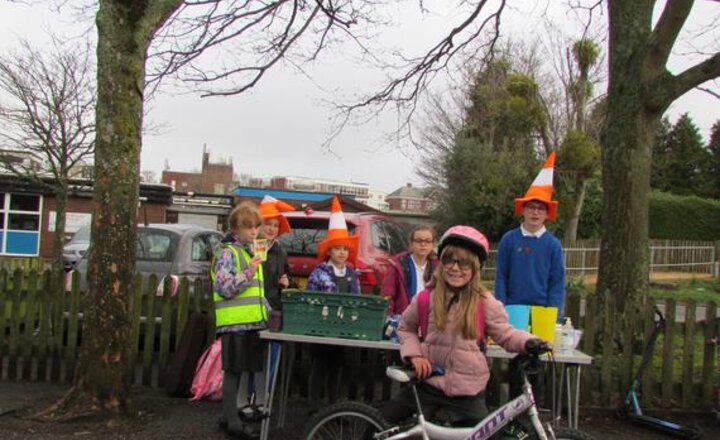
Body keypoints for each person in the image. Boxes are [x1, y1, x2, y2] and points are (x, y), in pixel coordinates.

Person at [382, 225, 542, 427]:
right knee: (381, 421)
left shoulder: (485, 303)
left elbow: (505, 333)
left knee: (484, 433)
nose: (455, 268)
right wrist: (415, 355)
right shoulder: (426, 298)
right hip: (429, 383)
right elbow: (406, 328)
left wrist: (529, 342)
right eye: (449, 260)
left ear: (476, 268)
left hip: (468, 391)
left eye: (464, 263)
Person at [494, 152, 566, 401]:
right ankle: (511, 415)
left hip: (541, 314)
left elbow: (557, 283)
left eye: (540, 208)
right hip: (513, 311)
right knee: (514, 363)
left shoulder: (553, 245)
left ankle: (531, 417)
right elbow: (501, 276)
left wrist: (554, 314)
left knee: (537, 366)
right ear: (523, 210)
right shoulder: (509, 239)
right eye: (531, 207)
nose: (535, 213)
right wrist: (500, 307)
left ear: (547, 214)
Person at [211, 201, 269, 439]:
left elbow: (257, 292)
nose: (254, 232)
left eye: (256, 227)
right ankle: (232, 422)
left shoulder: (249, 252)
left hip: (250, 323)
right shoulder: (228, 253)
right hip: (234, 324)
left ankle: (228, 417)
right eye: (248, 227)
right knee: (233, 373)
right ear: (236, 228)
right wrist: (249, 271)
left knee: (241, 370)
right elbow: (225, 287)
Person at [306, 196, 360, 411]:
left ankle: (332, 407)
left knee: (337, 368)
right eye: (337, 248)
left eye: (345, 249)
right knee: (319, 366)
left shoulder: (352, 274)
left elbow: (356, 301)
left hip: (343, 330)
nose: (342, 253)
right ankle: (313, 407)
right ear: (329, 251)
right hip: (321, 329)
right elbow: (311, 298)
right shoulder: (319, 273)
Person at [381, 225, 439, 316]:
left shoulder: (438, 268)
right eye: (419, 240)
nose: (423, 244)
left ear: (433, 245)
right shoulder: (398, 265)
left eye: (427, 241)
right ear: (411, 244)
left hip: (429, 319)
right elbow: (387, 295)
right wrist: (389, 316)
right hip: (403, 319)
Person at [258, 195, 295, 312]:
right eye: (268, 224)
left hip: (274, 307)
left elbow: (286, 275)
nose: (272, 229)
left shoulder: (280, 251)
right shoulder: (251, 247)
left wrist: (286, 281)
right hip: (253, 309)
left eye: (276, 225)